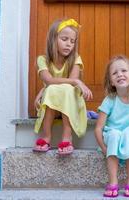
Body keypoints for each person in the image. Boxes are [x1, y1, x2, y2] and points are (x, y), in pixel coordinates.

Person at [33, 18, 93, 155]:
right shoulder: (42, 60)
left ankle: (67, 136)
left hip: (70, 101)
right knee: (53, 88)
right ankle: (46, 136)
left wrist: (74, 82)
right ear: (53, 39)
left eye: (72, 41)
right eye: (64, 39)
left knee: (65, 89)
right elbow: (49, 80)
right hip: (52, 102)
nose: (69, 44)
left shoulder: (76, 59)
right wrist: (77, 82)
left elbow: (70, 82)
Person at [94, 55, 129, 197]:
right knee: (114, 134)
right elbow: (98, 128)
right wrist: (103, 147)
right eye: (115, 73)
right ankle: (113, 181)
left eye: (124, 71)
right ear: (111, 81)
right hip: (112, 136)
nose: (120, 74)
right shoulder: (110, 100)